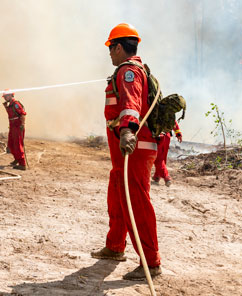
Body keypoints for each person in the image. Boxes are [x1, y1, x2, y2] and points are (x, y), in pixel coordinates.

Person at [90, 23, 162, 280]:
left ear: (119, 47)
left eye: (111, 48)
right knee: (118, 193)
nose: (109, 53)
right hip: (126, 152)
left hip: (134, 147)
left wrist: (127, 131)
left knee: (136, 203)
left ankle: (151, 263)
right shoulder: (135, 70)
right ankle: (115, 246)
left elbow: (130, 105)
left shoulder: (129, 71)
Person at [152, 121, 182, 187]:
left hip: (158, 136)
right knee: (162, 157)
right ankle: (157, 176)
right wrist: (178, 133)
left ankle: (166, 177)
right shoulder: (167, 110)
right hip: (167, 136)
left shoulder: (154, 110)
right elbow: (173, 121)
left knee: (158, 158)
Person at [2, 89, 27, 170]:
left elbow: (22, 114)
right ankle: (17, 158)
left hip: (17, 126)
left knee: (17, 144)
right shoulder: (10, 105)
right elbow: (11, 115)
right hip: (12, 126)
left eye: (6, 96)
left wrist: (22, 124)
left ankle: (22, 164)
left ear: (11, 95)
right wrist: (6, 107)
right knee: (11, 144)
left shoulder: (16, 104)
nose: (5, 98)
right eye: (4, 97)